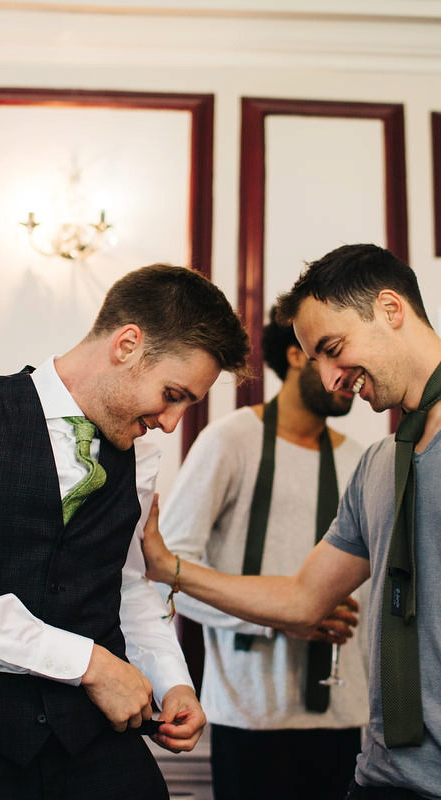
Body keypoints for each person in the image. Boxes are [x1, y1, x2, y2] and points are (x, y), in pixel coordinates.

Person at [141, 243, 441, 800]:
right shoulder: (375, 465)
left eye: (333, 348)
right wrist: (168, 567)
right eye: (315, 359)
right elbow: (303, 599)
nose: (328, 380)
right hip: (379, 780)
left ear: (391, 309)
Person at [0, 263, 250, 800]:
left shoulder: (140, 459)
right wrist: (90, 666)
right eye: (172, 394)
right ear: (127, 344)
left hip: (99, 754)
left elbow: (125, 585)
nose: (171, 423)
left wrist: (174, 680)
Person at [158, 305, 369, 800]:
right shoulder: (231, 441)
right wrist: (280, 616)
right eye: (337, 356)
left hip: (348, 715)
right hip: (250, 713)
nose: (353, 377)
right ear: (297, 355)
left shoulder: (361, 461)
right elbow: (170, 573)